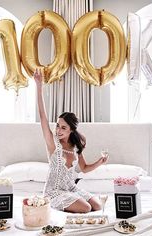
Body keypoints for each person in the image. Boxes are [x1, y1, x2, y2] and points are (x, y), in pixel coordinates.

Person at [34, 69, 108, 213]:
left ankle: (75, 200)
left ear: (71, 130)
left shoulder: (75, 146)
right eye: (57, 126)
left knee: (98, 206)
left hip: (71, 188)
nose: (58, 130)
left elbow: (84, 168)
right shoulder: (52, 143)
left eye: (63, 127)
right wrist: (39, 86)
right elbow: (43, 116)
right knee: (86, 208)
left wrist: (100, 161)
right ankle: (63, 202)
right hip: (54, 192)